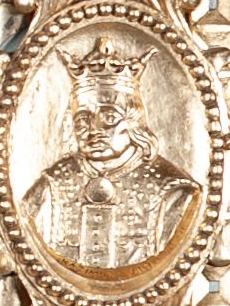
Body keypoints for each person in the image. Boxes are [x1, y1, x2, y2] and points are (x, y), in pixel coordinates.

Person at [28, 35, 198, 273]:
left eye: (108, 117)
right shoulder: (51, 186)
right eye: (83, 119)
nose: (93, 130)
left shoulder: (173, 192)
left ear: (134, 122)